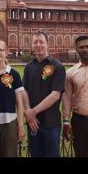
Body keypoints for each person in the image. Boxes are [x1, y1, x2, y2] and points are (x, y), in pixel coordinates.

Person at [22, 30, 66, 158]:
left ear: (48, 44)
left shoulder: (57, 67)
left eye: (41, 42)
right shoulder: (29, 66)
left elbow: (55, 95)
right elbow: (24, 91)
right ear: (32, 45)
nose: (38, 45)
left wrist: (33, 112)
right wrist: (29, 113)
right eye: (35, 42)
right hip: (33, 123)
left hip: (50, 123)